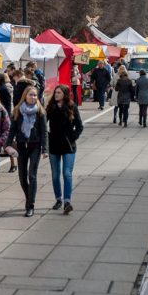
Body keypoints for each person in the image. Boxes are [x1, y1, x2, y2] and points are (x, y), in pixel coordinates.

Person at [5, 85, 48, 217]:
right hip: (21, 146)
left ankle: (30, 205)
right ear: (25, 96)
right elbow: (12, 130)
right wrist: (7, 145)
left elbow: (44, 132)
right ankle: (29, 197)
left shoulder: (40, 111)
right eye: (31, 95)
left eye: (35, 95)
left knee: (32, 175)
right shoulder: (17, 110)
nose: (33, 97)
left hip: (35, 146)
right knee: (22, 177)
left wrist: (45, 149)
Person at [46, 85, 83, 214]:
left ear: (65, 94)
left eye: (59, 93)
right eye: (55, 92)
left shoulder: (72, 107)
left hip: (68, 145)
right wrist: (47, 137)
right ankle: (58, 199)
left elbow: (79, 126)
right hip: (54, 144)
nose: (56, 95)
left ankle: (67, 201)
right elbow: (43, 123)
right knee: (55, 174)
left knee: (67, 173)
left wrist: (72, 137)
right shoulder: (51, 107)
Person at [0, 73, 17, 173]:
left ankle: (13, 164)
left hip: (3, 119)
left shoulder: (3, 90)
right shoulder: (0, 89)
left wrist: (4, 118)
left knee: (6, 143)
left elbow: (7, 106)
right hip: (0, 119)